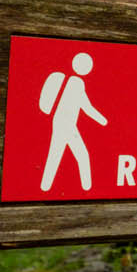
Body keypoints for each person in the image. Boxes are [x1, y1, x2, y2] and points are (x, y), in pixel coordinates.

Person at [39, 51, 107, 192]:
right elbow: (87, 107)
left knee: (56, 154)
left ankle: (45, 187)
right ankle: (87, 189)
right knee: (81, 155)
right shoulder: (77, 83)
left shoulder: (63, 79)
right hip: (67, 124)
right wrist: (103, 121)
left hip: (59, 122)